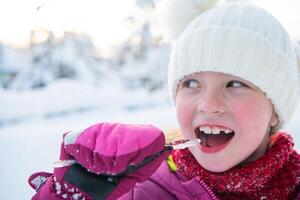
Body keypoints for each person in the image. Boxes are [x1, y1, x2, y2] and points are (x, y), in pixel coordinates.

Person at [28, 1, 300, 199]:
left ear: (275, 108)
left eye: (236, 83)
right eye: (191, 83)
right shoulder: (139, 190)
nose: (208, 103)